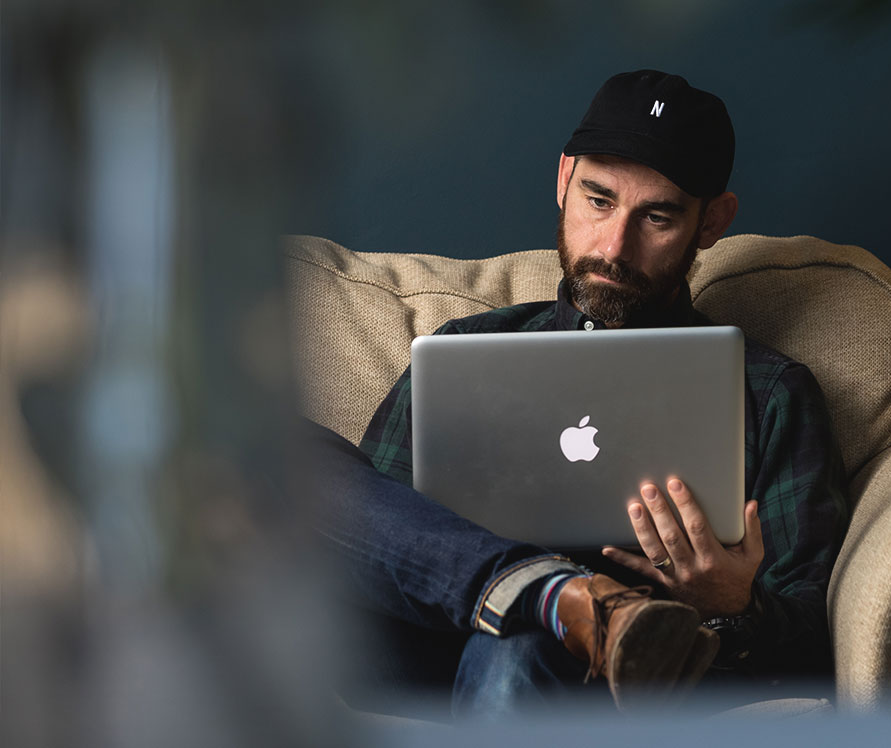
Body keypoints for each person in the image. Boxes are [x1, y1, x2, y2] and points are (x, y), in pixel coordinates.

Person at [309, 70, 847, 717]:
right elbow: (371, 538)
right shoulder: (464, 352)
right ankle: (560, 595)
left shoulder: (769, 393)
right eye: (598, 200)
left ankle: (558, 610)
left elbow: (819, 634)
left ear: (712, 223)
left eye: (657, 216)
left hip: (608, 687)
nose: (614, 246)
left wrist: (737, 604)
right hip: (427, 650)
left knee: (519, 646)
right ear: (563, 179)